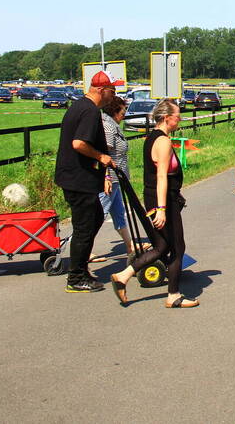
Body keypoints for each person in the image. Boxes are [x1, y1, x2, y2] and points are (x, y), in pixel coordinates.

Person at [110, 99, 198, 308]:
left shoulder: (152, 137)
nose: (180, 119)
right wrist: (161, 209)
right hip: (163, 199)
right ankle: (174, 295)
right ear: (167, 118)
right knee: (177, 247)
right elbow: (161, 176)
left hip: (156, 196)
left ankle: (123, 276)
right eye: (178, 116)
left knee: (161, 246)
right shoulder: (163, 141)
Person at [54, 70, 116, 293]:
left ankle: (81, 267)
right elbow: (79, 143)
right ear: (101, 90)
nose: (113, 94)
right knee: (84, 227)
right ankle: (76, 277)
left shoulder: (81, 107)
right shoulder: (89, 111)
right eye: (112, 90)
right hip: (78, 179)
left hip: (76, 177)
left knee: (96, 218)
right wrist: (102, 157)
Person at [95, 96, 136, 262]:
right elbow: (104, 154)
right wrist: (106, 177)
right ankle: (85, 250)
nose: (124, 115)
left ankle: (129, 245)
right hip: (109, 180)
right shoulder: (108, 127)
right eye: (123, 111)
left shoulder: (112, 125)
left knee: (119, 213)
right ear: (115, 111)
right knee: (98, 214)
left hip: (117, 180)